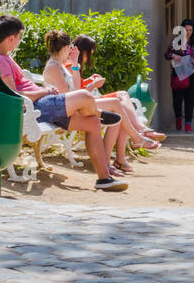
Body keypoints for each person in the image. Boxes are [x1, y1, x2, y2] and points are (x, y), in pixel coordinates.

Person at [0, 15, 126, 191]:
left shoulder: (0, 55)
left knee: (92, 123)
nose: (19, 42)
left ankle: (104, 179)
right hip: (33, 108)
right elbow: (15, 95)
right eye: (19, 37)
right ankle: (98, 112)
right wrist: (44, 91)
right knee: (84, 96)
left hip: (41, 105)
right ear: (11, 38)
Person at [41, 30, 152, 176]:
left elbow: (76, 90)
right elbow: (66, 97)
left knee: (116, 113)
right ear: (64, 48)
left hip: (74, 106)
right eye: (69, 48)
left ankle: (110, 161)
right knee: (116, 104)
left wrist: (75, 65)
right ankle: (136, 138)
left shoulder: (60, 65)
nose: (71, 51)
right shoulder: (54, 67)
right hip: (67, 110)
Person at [72, 33, 166, 143]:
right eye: (88, 54)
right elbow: (77, 93)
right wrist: (93, 84)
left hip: (86, 101)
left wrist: (90, 80)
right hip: (84, 103)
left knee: (122, 98)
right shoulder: (72, 65)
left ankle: (139, 130)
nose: (87, 58)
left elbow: (77, 85)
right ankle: (140, 131)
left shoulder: (73, 65)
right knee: (120, 105)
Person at [164, 18, 194, 132]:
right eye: (186, 30)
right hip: (179, 74)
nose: (188, 32)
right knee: (177, 100)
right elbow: (167, 54)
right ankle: (178, 117)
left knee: (189, 99)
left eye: (190, 30)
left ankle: (188, 124)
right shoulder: (176, 42)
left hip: (193, 74)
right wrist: (174, 56)